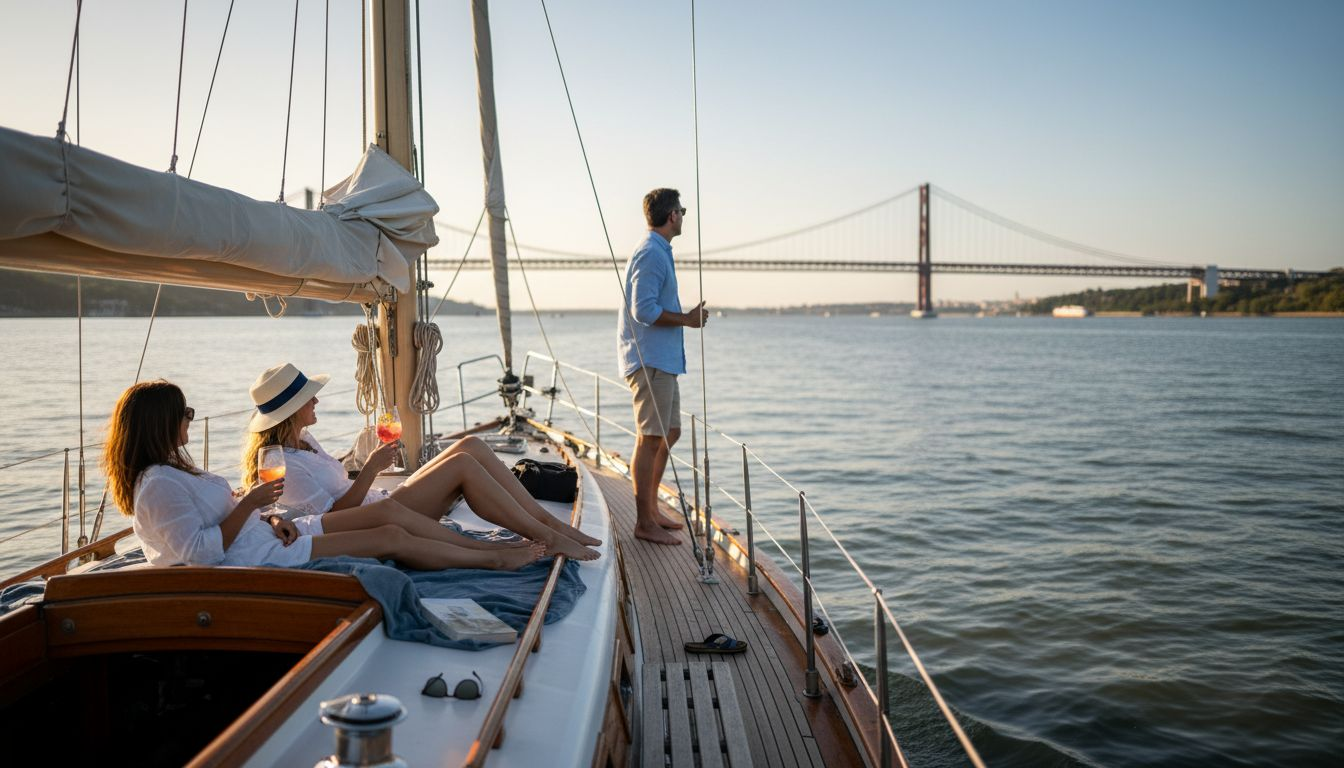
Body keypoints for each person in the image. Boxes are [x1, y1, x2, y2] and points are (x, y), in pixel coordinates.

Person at [104, 380, 548, 571]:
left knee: (395, 522)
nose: (190, 419)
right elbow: (201, 553)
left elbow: (222, 518)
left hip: (275, 536)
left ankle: (496, 544)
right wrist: (255, 505)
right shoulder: (159, 485)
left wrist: (268, 516)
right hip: (261, 559)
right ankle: (492, 557)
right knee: (391, 534)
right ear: (159, 423)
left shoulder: (172, 471)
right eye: (184, 413)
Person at [239, 362, 600, 560]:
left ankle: (552, 525)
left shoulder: (304, 440)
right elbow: (332, 516)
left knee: (470, 444)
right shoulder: (285, 462)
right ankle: (546, 536)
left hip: (379, 499)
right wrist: (370, 470)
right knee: (462, 467)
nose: (316, 402)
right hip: (372, 512)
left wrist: (370, 478)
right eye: (309, 398)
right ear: (290, 412)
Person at [616, 187, 709, 544]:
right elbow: (644, 310)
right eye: (681, 211)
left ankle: (652, 510)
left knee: (670, 433)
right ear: (672, 215)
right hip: (649, 360)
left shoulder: (659, 251)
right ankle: (644, 523)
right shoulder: (652, 254)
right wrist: (687, 319)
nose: (683, 216)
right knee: (651, 437)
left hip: (663, 362)